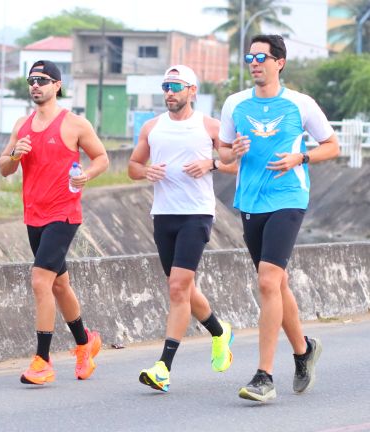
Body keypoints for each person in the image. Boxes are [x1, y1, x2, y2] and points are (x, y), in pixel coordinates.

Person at [218, 34, 340, 402]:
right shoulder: (234, 104)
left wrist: (300, 158)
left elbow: (332, 145)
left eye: (261, 57)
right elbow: (223, 151)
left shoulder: (300, 104)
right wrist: (231, 150)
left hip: (289, 197)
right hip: (250, 201)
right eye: (249, 57)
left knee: (268, 282)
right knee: (278, 285)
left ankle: (264, 376)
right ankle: (303, 350)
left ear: (279, 62)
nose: (254, 63)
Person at [0, 60, 109, 385]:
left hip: (63, 214)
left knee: (40, 282)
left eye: (43, 80)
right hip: (34, 214)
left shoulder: (75, 124)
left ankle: (42, 360)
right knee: (59, 284)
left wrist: (86, 174)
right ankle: (85, 342)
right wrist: (16, 154)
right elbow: (4, 168)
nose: (36, 85)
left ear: (57, 85)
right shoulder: (22, 124)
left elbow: (102, 157)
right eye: (32, 80)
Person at [128, 65, 238, 393]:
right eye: (165, 86)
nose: (169, 92)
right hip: (163, 215)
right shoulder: (152, 127)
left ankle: (163, 367)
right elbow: (132, 166)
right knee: (185, 289)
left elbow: (237, 163)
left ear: (192, 90)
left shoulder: (209, 126)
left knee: (177, 288)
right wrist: (145, 171)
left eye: (176, 86)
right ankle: (220, 332)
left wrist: (212, 164)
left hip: (196, 215)